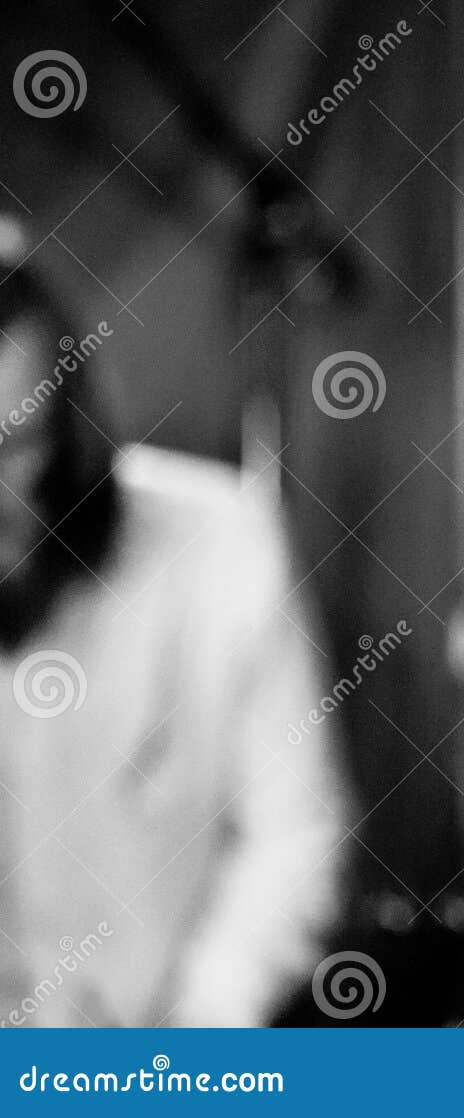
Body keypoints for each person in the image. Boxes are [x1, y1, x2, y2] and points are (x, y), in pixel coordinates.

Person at [0, 239, 349, 1027]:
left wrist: (198, 1036)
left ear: (65, 424)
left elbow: (294, 836)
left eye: (13, 448)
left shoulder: (220, 547)